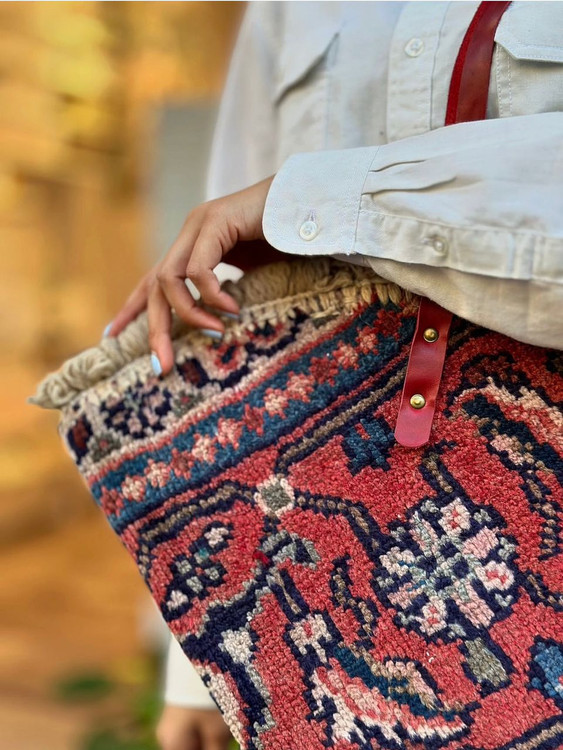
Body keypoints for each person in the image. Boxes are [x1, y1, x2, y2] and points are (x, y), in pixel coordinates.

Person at [103, 3, 563, 748]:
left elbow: (269, 205)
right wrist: (196, 671)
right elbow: (235, 299)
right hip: (319, 614)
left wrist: (316, 200)